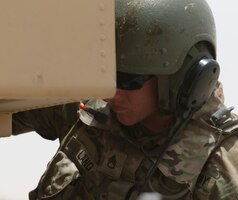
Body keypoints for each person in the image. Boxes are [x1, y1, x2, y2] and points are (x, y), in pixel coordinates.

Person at [11, 0, 238, 199]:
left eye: (127, 80)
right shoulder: (89, 110)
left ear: (182, 80)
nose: (108, 94)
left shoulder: (223, 167)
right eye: (104, 76)